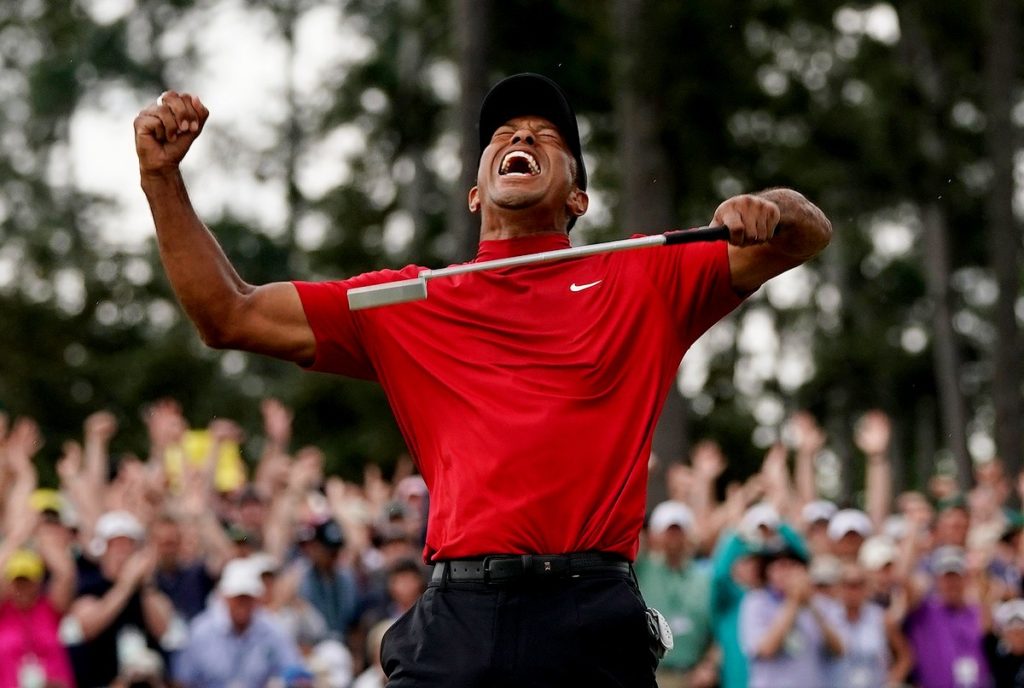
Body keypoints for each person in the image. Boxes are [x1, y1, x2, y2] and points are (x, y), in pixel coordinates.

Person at [134, 71, 831, 687]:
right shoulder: (407, 301)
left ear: (579, 199)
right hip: (458, 621)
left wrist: (768, 210)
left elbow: (808, 235)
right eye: (503, 132)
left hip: (589, 617)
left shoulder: (646, 277)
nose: (520, 136)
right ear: (475, 192)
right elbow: (228, 313)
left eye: (545, 135)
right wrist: (162, 180)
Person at [173, 557, 302, 687]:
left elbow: (292, 670)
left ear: (256, 599)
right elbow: (183, 680)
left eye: (248, 597)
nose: (243, 604)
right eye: (237, 598)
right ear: (225, 597)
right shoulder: (200, 632)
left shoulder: (272, 630)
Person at [634, 500, 717, 688]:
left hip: (694, 677)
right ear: (654, 535)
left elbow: (718, 628)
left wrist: (709, 666)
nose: (673, 538)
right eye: (667, 532)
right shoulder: (641, 569)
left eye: (678, 531)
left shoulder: (704, 577)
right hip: (650, 676)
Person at [739, 542, 844, 688]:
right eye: (779, 566)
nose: (786, 573)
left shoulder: (821, 603)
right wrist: (793, 602)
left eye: (791, 566)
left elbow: (840, 650)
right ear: (768, 572)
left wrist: (811, 606)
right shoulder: (756, 602)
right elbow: (766, 649)